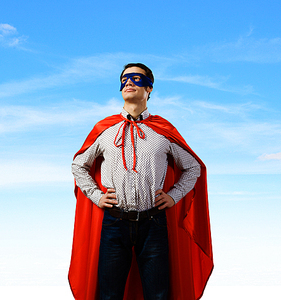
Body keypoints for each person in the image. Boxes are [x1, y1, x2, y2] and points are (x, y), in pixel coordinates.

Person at [69, 63, 213, 300]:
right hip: (114, 223)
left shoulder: (162, 130)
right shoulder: (105, 129)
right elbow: (78, 165)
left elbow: (193, 167)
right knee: (109, 294)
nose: (128, 83)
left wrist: (174, 195)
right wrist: (96, 196)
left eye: (136, 78)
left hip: (153, 223)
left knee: (158, 294)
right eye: (124, 79)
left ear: (149, 89)